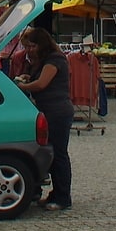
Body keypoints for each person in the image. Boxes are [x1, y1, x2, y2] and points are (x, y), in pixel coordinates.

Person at [14, 26, 74, 210]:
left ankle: (63, 197)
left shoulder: (54, 59)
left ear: (42, 44)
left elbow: (41, 84)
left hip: (57, 111)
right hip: (47, 110)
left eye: (32, 46)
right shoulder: (41, 60)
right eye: (27, 46)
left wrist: (20, 87)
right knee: (50, 152)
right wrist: (26, 77)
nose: (29, 50)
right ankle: (54, 194)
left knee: (59, 154)